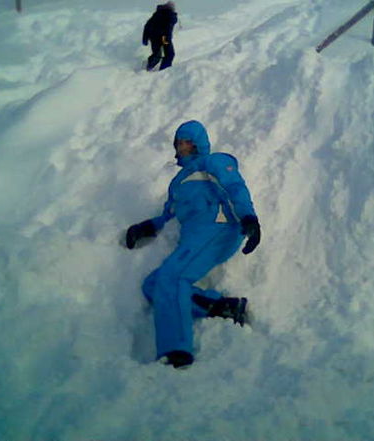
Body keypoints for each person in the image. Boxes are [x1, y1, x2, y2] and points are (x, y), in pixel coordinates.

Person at [126, 120, 261, 368]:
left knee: (172, 277)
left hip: (218, 227)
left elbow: (235, 186)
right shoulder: (177, 184)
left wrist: (249, 217)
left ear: (200, 143)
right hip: (195, 237)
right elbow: (168, 217)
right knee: (152, 285)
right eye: (180, 141)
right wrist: (146, 227)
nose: (184, 145)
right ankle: (221, 307)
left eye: (189, 141)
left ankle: (175, 352)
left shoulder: (214, 161)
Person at [142, 1, 178, 71]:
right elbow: (168, 29)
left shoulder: (157, 14)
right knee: (169, 54)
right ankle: (164, 71)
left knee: (157, 55)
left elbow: (147, 26)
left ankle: (148, 67)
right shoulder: (170, 15)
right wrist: (167, 39)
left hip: (154, 37)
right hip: (164, 38)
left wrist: (145, 38)